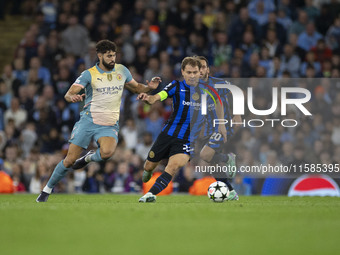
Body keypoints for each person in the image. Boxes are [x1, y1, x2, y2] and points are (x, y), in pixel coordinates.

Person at [36, 40, 161, 202]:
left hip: (109, 124)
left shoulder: (122, 70)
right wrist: (71, 97)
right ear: (100, 55)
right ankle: (46, 190)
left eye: (114, 55)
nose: (112, 59)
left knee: (107, 153)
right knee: (69, 160)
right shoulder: (89, 74)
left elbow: (137, 88)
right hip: (88, 122)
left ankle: (87, 158)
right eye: (109, 56)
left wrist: (149, 87)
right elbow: (69, 93)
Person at [137, 57, 226, 202]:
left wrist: (221, 124)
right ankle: (147, 172)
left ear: (200, 73)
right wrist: (150, 98)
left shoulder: (208, 90)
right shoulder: (176, 86)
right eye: (189, 72)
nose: (192, 75)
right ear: (183, 72)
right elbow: (160, 96)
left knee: (173, 166)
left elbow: (219, 103)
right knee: (148, 166)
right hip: (168, 134)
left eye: (195, 72)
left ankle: (150, 194)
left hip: (188, 139)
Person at [195, 56, 241, 201]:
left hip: (222, 126)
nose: (200, 70)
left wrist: (237, 114)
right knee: (212, 165)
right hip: (207, 129)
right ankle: (231, 192)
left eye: (203, 66)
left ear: (208, 69)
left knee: (205, 156)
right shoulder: (195, 88)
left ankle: (228, 158)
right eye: (197, 67)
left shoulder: (218, 83)